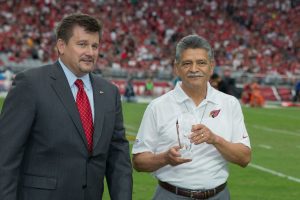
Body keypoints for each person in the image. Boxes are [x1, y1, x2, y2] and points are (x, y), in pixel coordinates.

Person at [0, 13, 132, 200]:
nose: (90, 52)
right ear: (61, 46)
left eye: (95, 46)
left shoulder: (109, 92)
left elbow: (118, 157)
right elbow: (6, 156)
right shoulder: (30, 84)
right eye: (82, 44)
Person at [132, 35, 251, 200]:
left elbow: (244, 158)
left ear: (211, 67)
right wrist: (165, 158)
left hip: (218, 195)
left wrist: (215, 139)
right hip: (170, 195)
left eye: (201, 63)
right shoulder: (157, 106)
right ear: (177, 68)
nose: (194, 69)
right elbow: (138, 162)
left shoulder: (229, 104)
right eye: (187, 63)